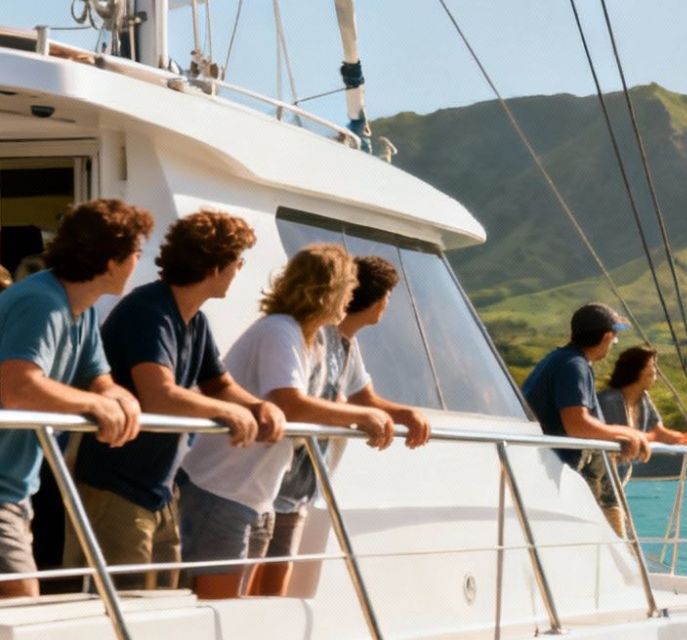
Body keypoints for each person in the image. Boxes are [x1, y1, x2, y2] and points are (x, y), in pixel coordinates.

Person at [66, 210, 286, 591]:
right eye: (238, 262)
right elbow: (159, 395)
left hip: (160, 491)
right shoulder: (148, 311)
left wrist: (258, 406)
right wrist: (229, 412)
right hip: (117, 488)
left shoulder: (194, 320)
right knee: (125, 609)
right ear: (216, 266)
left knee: (164, 609)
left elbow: (219, 384)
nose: (239, 270)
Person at [177, 244, 394, 599]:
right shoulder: (281, 330)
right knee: (218, 611)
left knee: (242, 612)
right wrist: (363, 415)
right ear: (330, 290)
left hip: (254, 494)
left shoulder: (309, 338)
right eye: (348, 287)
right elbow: (288, 403)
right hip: (222, 488)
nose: (352, 297)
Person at [252, 254, 433, 597]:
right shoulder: (314, 336)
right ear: (378, 300)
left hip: (300, 484)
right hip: (276, 476)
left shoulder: (347, 344)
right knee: (253, 580)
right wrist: (357, 415)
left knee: (275, 583)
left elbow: (365, 398)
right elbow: (300, 400)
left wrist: (405, 415)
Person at [0, 199, 149, 597]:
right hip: (2, 492)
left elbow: (98, 377)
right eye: (136, 253)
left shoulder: (78, 310)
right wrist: (94, 405)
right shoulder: (42, 304)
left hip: (14, 489)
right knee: (20, 615)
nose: (139, 262)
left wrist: (120, 399)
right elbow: (18, 386)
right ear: (112, 259)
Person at [520, 303, 651, 476]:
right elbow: (577, 425)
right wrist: (628, 433)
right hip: (545, 468)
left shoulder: (561, 359)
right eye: (615, 338)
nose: (614, 343)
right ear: (606, 337)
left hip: (537, 463)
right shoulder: (573, 366)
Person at [590, 345, 687, 533]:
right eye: (652, 366)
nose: (655, 371)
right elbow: (620, 436)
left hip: (615, 486)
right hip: (599, 486)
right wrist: (644, 437)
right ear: (637, 370)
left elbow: (659, 432)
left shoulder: (643, 399)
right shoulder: (610, 400)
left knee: (625, 541)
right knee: (620, 541)